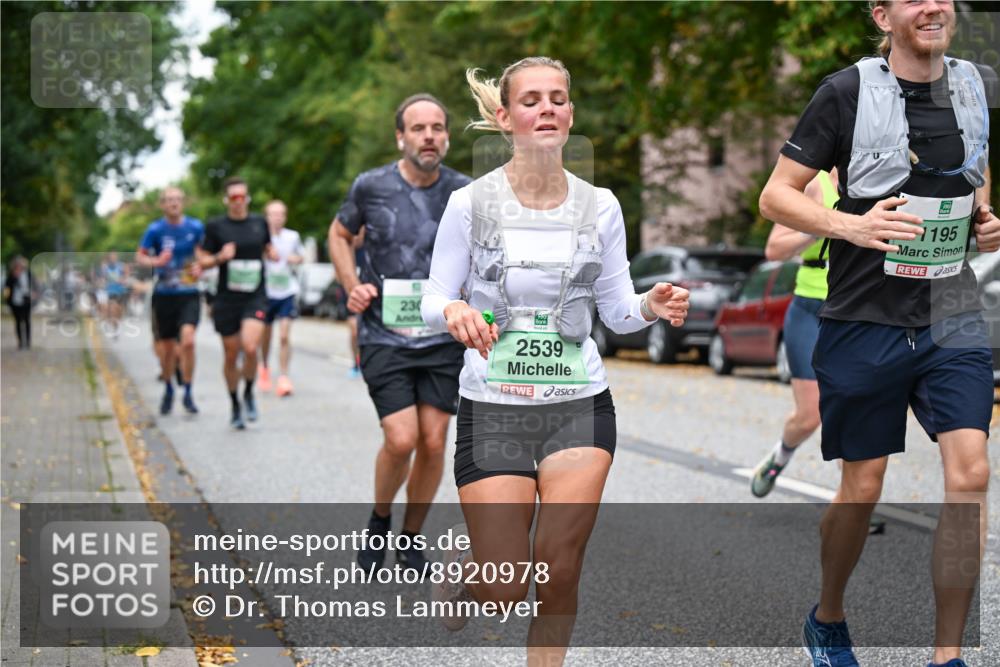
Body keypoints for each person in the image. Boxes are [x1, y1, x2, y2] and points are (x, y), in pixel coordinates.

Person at [420, 58, 689, 664]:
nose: (548, 109)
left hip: (578, 404)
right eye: (532, 99)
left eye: (559, 99)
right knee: (505, 588)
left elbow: (618, 310)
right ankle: (474, 568)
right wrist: (453, 313)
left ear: (570, 113)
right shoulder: (470, 204)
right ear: (505, 117)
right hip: (493, 407)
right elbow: (433, 294)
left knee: (559, 570)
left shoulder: (601, 206)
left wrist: (652, 303)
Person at [759, 1, 998, 665]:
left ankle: (947, 652)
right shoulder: (844, 92)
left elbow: (970, 173)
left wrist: (983, 218)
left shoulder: (974, 85)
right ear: (882, 14)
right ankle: (827, 615)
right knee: (862, 487)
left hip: (950, 311)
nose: (934, 6)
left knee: (970, 472)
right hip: (864, 316)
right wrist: (851, 226)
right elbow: (776, 195)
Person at [328, 93, 471, 571]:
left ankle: (410, 538)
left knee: (434, 440)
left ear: (446, 137)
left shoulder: (464, 192)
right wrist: (352, 285)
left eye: (436, 128)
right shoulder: (371, 186)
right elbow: (339, 234)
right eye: (418, 128)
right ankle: (380, 518)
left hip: (441, 336)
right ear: (401, 137)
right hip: (384, 333)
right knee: (402, 437)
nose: (428, 136)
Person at [750, 169, 838, 497]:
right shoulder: (816, 185)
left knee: (847, 407)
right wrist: (821, 226)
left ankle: (853, 499)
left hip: (855, 311)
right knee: (810, 414)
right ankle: (779, 456)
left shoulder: (883, 183)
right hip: (810, 310)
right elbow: (774, 248)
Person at [198, 177, 276, 430]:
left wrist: (271, 253)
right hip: (226, 298)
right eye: (234, 197)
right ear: (227, 200)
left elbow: (267, 247)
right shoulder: (216, 227)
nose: (239, 201)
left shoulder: (259, 223)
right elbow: (202, 260)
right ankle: (234, 403)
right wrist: (221, 256)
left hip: (255, 294)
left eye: (243, 196)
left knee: (251, 347)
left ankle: (249, 392)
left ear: (248, 199)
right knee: (231, 354)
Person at [137, 187, 205, 415]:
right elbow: (140, 256)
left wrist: (200, 265)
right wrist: (156, 260)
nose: (174, 203)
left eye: (177, 199)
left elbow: (204, 253)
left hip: (189, 293)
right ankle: (168, 387)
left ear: (183, 202)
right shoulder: (155, 229)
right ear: (162, 205)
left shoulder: (195, 227)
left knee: (188, 342)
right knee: (167, 349)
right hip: (164, 295)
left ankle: (187, 390)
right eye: (169, 200)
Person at [258, 199, 305, 397]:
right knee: (265, 335)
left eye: (280, 214)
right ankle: (265, 367)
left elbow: (300, 257)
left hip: (287, 291)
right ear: (266, 216)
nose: (277, 218)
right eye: (273, 214)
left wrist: (287, 258)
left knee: (284, 335)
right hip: (266, 292)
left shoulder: (292, 236)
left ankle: (284, 376)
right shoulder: (260, 236)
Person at [4, 256, 33, 349]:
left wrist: (34, 293)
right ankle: (20, 342)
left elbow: (34, 285)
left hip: (26, 300)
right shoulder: (11, 275)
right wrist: (7, 300)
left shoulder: (27, 274)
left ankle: (28, 342)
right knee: (17, 322)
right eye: (17, 265)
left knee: (27, 321)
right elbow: (7, 288)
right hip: (15, 301)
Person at [100, 251, 129, 338]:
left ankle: (117, 325)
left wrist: (123, 279)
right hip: (111, 291)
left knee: (119, 311)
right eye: (112, 256)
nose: (114, 257)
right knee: (113, 310)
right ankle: (115, 329)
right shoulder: (106, 267)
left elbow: (126, 274)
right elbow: (103, 277)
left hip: (121, 291)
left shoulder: (121, 266)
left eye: (115, 256)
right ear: (109, 258)